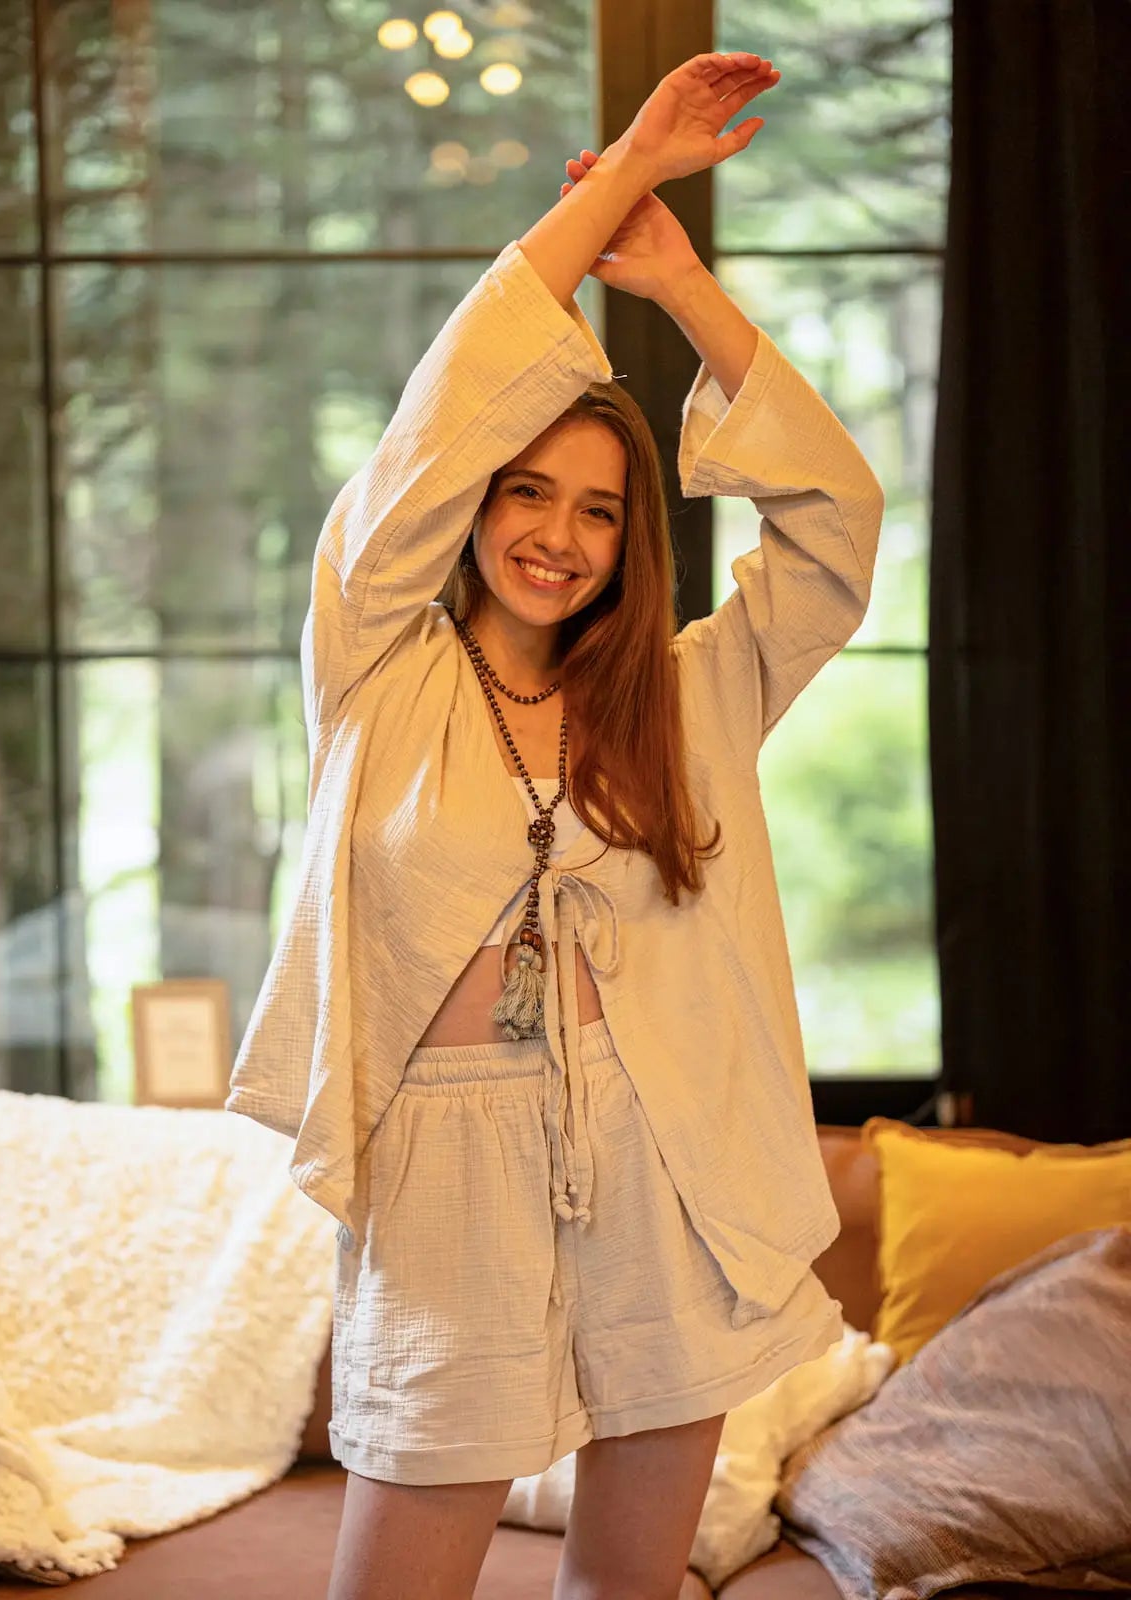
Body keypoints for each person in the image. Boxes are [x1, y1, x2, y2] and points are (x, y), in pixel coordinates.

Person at [225, 49, 886, 1600]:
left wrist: (679, 287)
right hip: (448, 1160)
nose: (560, 537)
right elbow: (426, 432)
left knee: (626, 1591)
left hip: (665, 1151)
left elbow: (838, 528)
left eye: (600, 510)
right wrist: (603, 211)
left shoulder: (693, 693)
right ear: (475, 506)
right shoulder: (377, 665)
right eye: (528, 494)